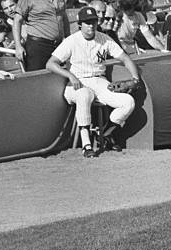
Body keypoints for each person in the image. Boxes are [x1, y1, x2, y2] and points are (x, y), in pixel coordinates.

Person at [46, 6, 140, 157]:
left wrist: (136, 79)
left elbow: (125, 58)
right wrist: (70, 76)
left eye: (93, 22)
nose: (91, 25)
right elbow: (50, 63)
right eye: (87, 22)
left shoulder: (104, 39)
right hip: (76, 83)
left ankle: (106, 133)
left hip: (99, 81)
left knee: (128, 102)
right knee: (84, 95)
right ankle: (86, 145)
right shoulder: (72, 40)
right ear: (79, 24)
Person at [13, 0, 70, 71]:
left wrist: (69, 40)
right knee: (37, 77)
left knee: (59, 77)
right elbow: (17, 20)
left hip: (58, 46)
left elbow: (64, 18)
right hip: (38, 46)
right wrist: (18, 46)